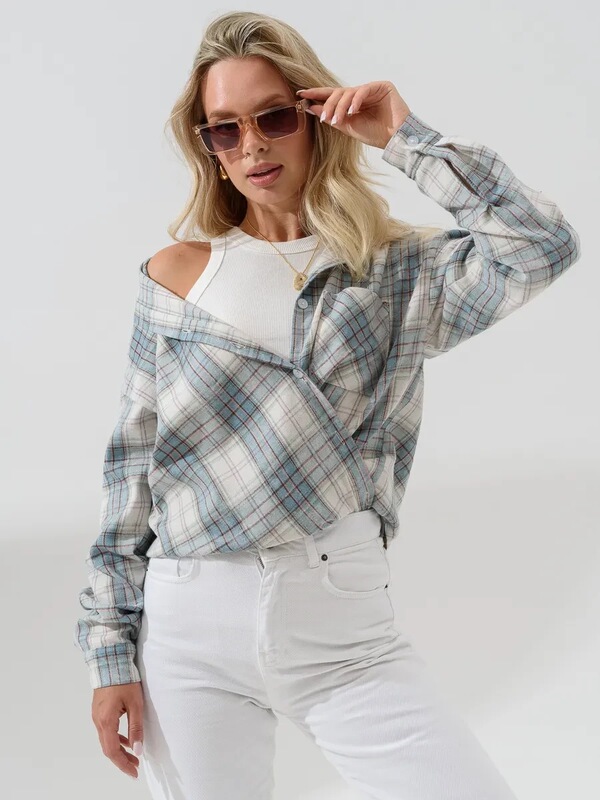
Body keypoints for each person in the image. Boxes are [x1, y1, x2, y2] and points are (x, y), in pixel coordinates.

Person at [73, 10, 581, 799]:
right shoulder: (176, 275)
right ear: (208, 147)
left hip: (341, 624)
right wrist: (110, 653)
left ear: (314, 116)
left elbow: (542, 244)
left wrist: (404, 136)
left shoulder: (396, 271)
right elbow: (131, 469)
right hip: (188, 620)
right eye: (225, 129)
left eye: (273, 117)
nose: (252, 145)